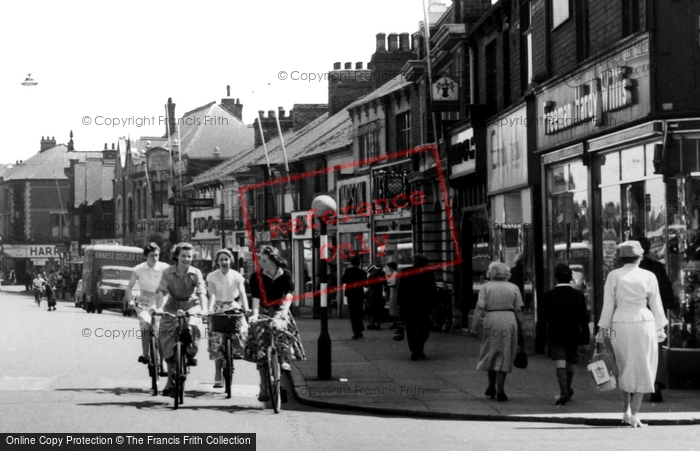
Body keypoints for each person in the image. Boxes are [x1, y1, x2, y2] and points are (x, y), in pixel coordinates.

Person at [597, 240, 669, 428]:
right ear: (640, 257)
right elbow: (656, 303)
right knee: (644, 365)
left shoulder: (614, 275)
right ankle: (635, 413)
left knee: (623, 365)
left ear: (621, 258)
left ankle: (626, 410)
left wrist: (602, 331)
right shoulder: (649, 275)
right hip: (644, 322)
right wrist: (660, 328)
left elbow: (608, 305)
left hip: (620, 322)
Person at [245, 245, 305, 402]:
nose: (261, 262)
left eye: (264, 260)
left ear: (272, 260)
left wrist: (284, 311)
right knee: (261, 346)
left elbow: (289, 293)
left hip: (280, 309)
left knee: (281, 329)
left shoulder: (285, 274)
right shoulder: (255, 276)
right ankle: (263, 387)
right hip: (264, 310)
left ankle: (284, 359)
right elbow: (256, 298)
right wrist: (255, 315)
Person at [155, 242, 208, 398]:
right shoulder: (167, 272)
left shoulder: (196, 272)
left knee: (193, 327)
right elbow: (161, 291)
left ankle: (190, 353)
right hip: (172, 306)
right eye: (183, 256)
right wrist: (159, 308)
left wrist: (203, 310)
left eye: (189, 256)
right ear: (176, 256)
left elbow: (201, 292)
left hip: (191, 305)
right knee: (165, 335)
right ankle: (170, 380)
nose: (186, 259)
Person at [470, 262, 524, 402]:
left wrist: (474, 325)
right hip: (509, 320)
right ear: (506, 274)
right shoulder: (514, 287)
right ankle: (501, 390)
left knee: (491, 351)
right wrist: (521, 327)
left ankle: (490, 386)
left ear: (490, 273)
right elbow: (518, 309)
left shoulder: (486, 287)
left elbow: (479, 307)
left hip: (491, 319)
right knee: (506, 353)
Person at [540, 264, 590, 405]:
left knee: (560, 363)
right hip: (573, 334)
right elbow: (584, 319)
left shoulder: (549, 295)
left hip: (555, 334)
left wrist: (541, 337)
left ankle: (563, 391)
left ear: (555, 278)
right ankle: (567, 388)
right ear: (570, 278)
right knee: (570, 363)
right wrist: (585, 337)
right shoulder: (578, 295)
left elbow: (543, 319)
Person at [635, 236, 674, 403]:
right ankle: (656, 385)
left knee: (636, 351)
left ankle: (635, 385)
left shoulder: (627, 271)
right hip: (653, 317)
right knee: (656, 351)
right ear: (649, 250)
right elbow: (666, 292)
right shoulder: (657, 268)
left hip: (634, 317)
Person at [206, 249, 249, 389]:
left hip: (232, 306)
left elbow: (242, 293)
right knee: (217, 340)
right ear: (217, 262)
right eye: (221, 259)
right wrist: (210, 309)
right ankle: (217, 373)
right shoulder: (212, 276)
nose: (224, 262)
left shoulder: (237, 276)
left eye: (226, 259)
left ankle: (236, 351)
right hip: (218, 307)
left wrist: (246, 308)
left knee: (242, 329)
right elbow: (211, 294)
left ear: (231, 261)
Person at [125, 243, 169, 369]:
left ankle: (163, 362)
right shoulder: (138, 269)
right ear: (145, 256)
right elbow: (129, 288)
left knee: (160, 330)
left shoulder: (165, 267)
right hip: (144, 301)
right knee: (145, 323)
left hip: (161, 300)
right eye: (151, 256)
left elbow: (171, 283)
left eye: (157, 255)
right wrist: (130, 301)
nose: (155, 258)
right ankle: (145, 354)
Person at [397, 254, 438, 361]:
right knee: (423, 329)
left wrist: (400, 305)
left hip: (408, 306)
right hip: (423, 307)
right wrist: (433, 305)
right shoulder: (428, 273)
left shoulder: (406, 271)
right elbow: (432, 290)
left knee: (410, 329)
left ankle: (415, 349)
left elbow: (401, 289)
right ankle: (418, 349)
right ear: (424, 263)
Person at [342, 256, 368, 339]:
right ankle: (360, 330)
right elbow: (365, 284)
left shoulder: (348, 271)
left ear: (351, 263)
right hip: (359, 294)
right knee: (359, 312)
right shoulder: (362, 272)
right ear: (359, 263)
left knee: (353, 313)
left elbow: (343, 280)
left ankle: (356, 331)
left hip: (351, 294)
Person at [366, 265, 386, 330]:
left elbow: (368, 285)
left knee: (371, 309)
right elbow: (385, 283)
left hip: (372, 293)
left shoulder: (371, 275)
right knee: (379, 309)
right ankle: (378, 324)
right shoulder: (382, 274)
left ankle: (372, 324)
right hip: (379, 293)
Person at [383, 262, 399, 329]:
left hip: (394, 291)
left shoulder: (395, 274)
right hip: (393, 291)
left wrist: (388, 285)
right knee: (393, 307)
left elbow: (394, 283)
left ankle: (394, 323)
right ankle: (394, 322)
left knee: (394, 307)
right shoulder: (394, 273)